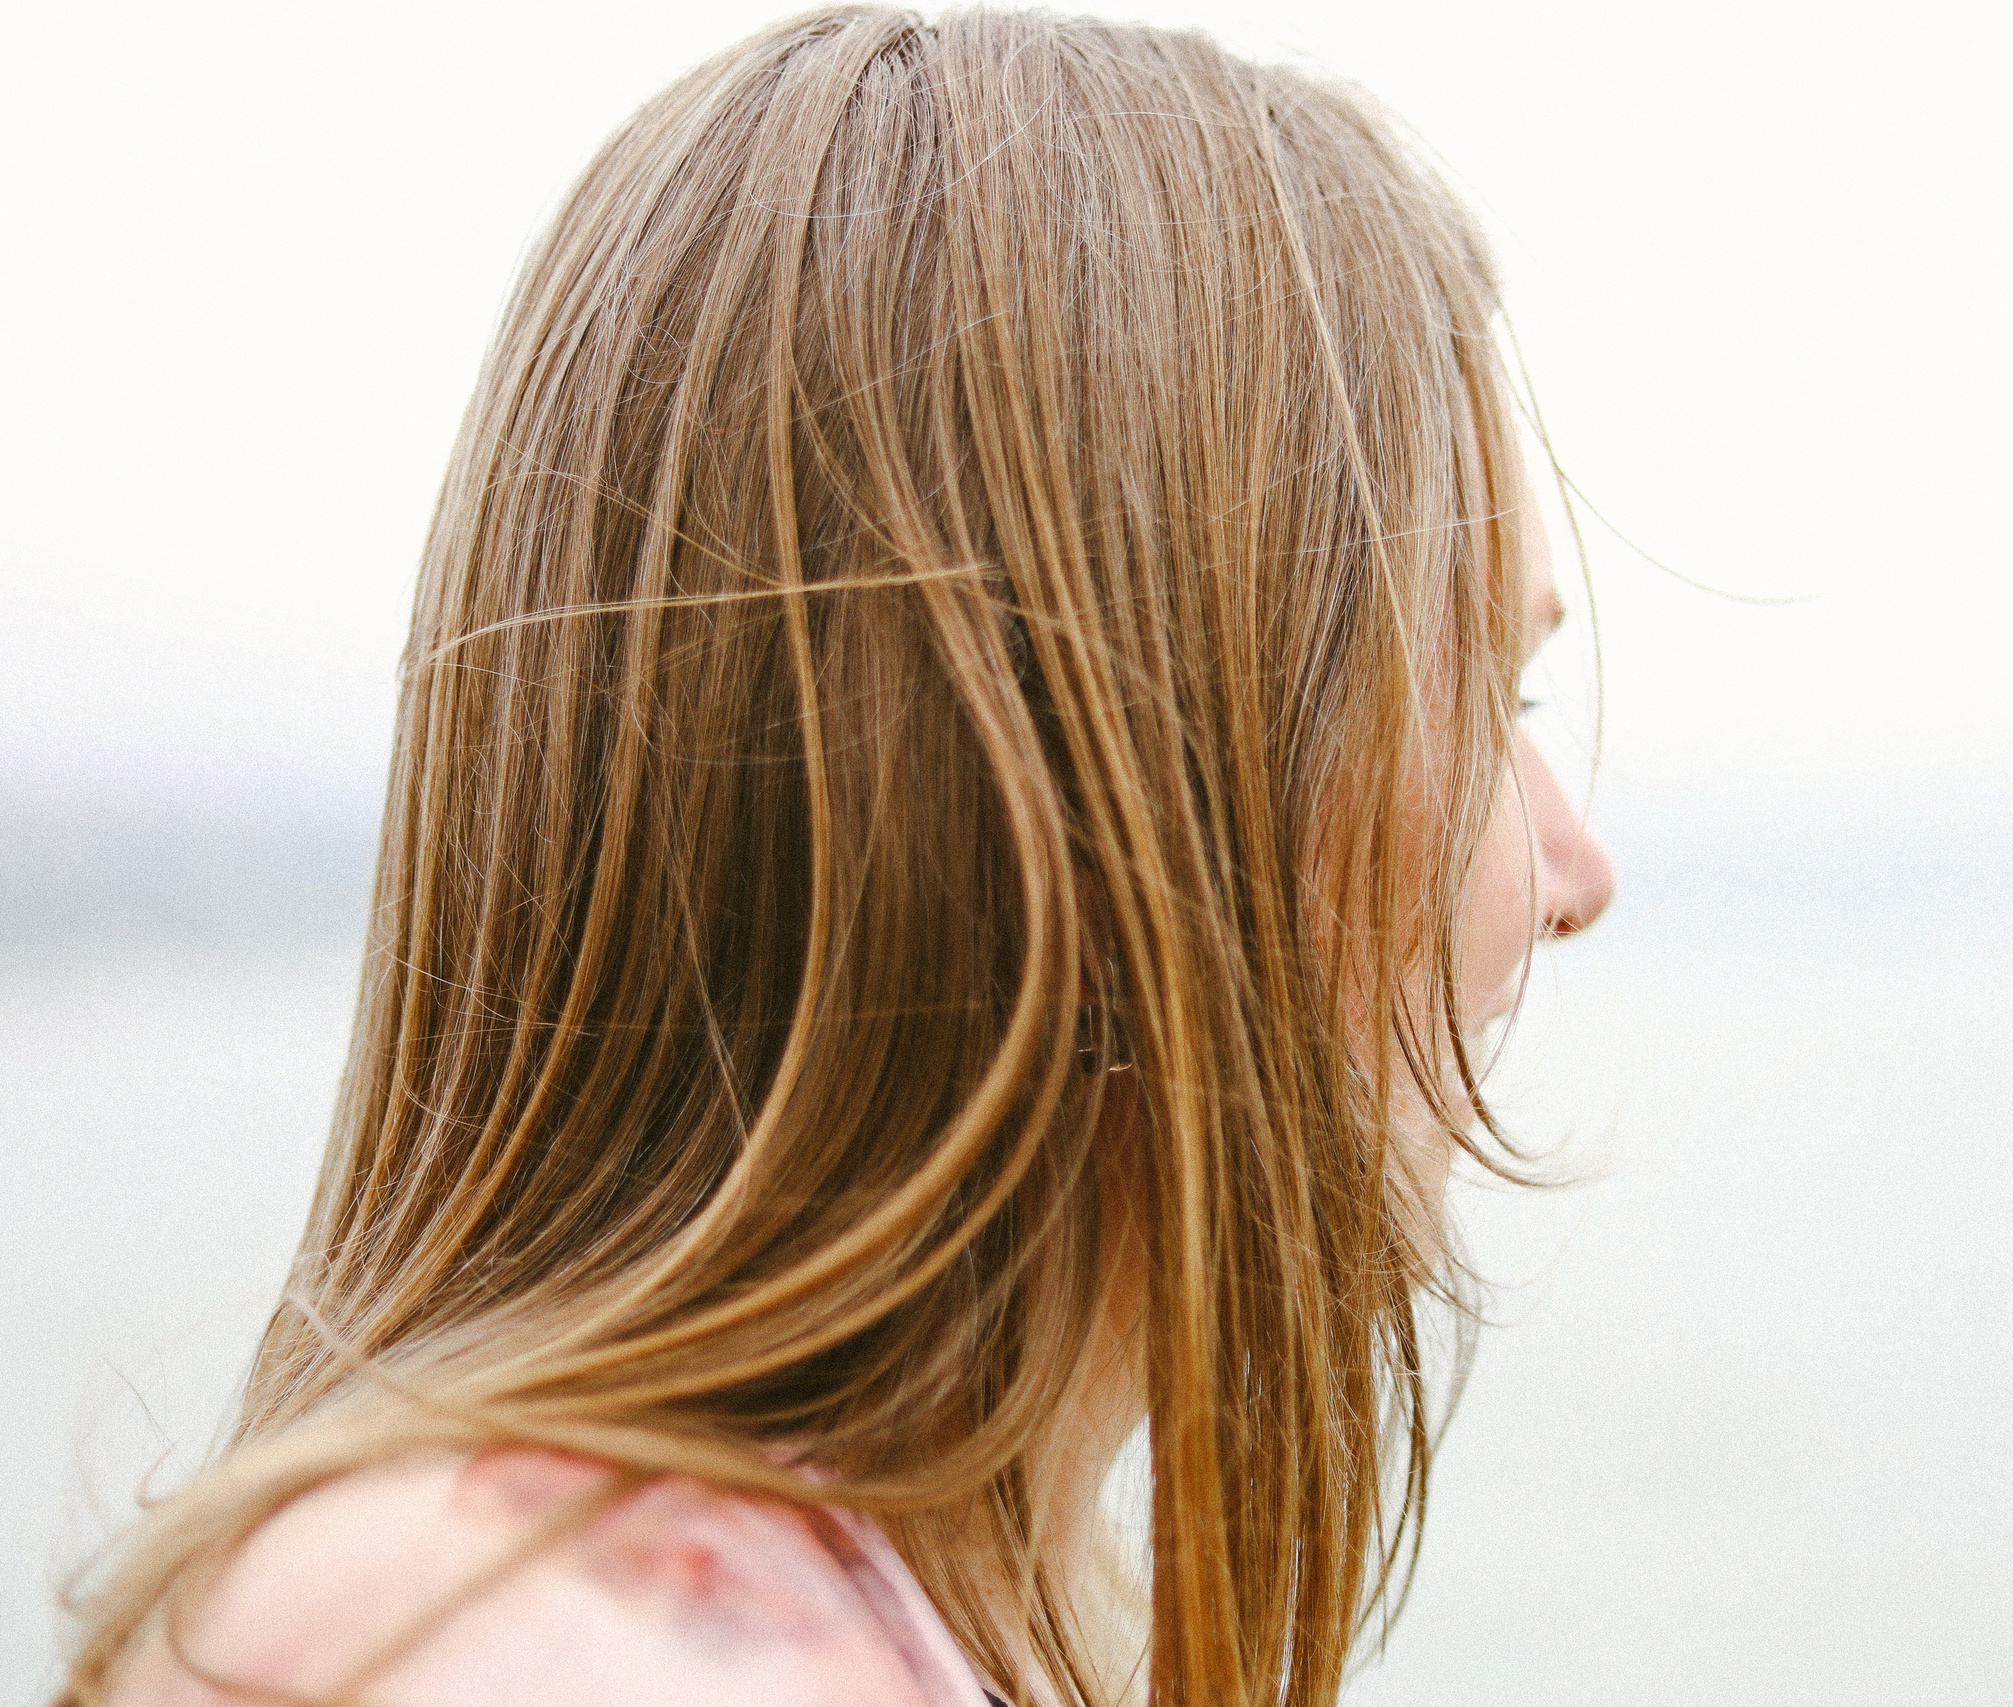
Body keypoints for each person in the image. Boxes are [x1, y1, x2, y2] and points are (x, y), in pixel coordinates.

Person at [59, 7, 1614, 1704]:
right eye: (1491, 699)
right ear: (1108, 757)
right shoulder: (545, 1650)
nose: (1572, 866)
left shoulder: (742, 1608)